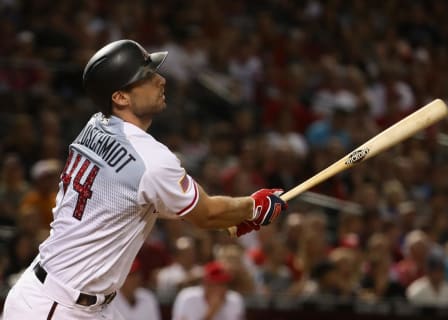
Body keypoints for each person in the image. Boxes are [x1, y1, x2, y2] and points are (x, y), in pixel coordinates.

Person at [2, 39, 287, 320]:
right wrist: (252, 207)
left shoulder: (95, 125)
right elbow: (206, 214)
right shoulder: (150, 159)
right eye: (147, 76)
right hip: (58, 306)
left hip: (65, 294)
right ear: (120, 97)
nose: (161, 79)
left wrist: (232, 217)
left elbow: (135, 201)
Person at [172, 260, 245, 320]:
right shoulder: (188, 298)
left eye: (224, 284)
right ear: (205, 284)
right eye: (217, 284)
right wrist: (211, 313)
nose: (222, 288)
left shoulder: (235, 299)